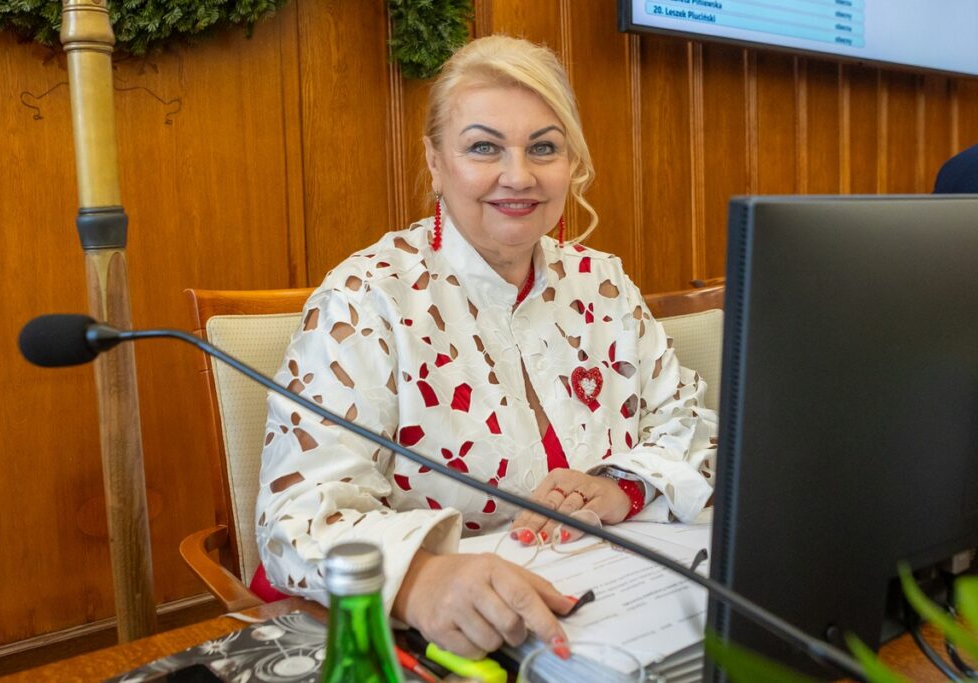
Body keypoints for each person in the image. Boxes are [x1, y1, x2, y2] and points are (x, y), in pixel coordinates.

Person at [255, 35, 717, 660]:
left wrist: (623, 486)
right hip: (457, 643)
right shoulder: (367, 299)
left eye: (544, 148)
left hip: (623, 613)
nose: (519, 176)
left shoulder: (604, 283)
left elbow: (691, 423)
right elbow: (298, 517)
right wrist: (418, 580)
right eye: (484, 147)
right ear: (436, 161)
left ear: (571, 163)